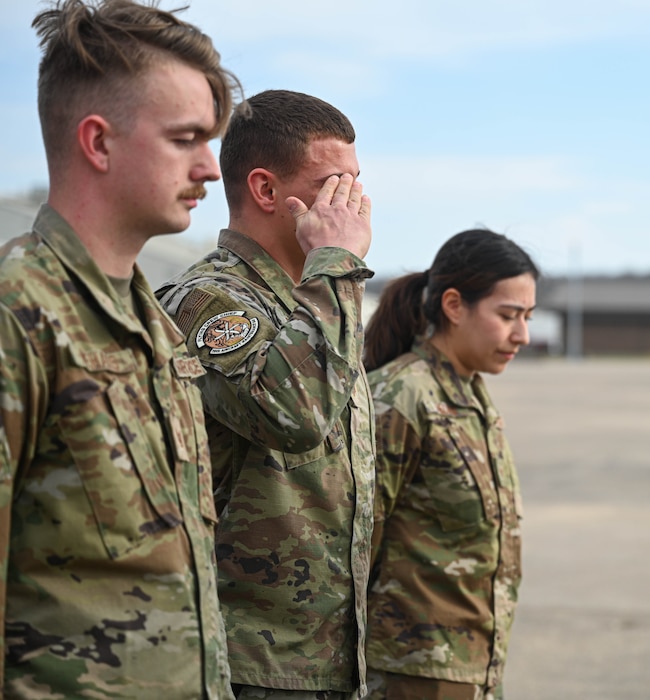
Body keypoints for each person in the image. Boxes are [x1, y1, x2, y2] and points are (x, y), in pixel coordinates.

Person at [0, 1, 239, 697]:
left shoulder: (153, 326)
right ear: (98, 143)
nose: (211, 168)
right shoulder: (21, 315)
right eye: (187, 138)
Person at [155, 89, 375, 699]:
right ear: (267, 190)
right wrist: (335, 262)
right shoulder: (204, 301)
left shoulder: (316, 304)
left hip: (334, 659)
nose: (354, 204)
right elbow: (297, 414)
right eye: (335, 184)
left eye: (356, 184)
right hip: (253, 662)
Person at [362, 229, 538, 700]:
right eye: (507, 315)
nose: (522, 334)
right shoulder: (401, 396)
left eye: (527, 316)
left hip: (473, 670)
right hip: (408, 674)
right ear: (454, 305)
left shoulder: (470, 394)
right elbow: (355, 545)